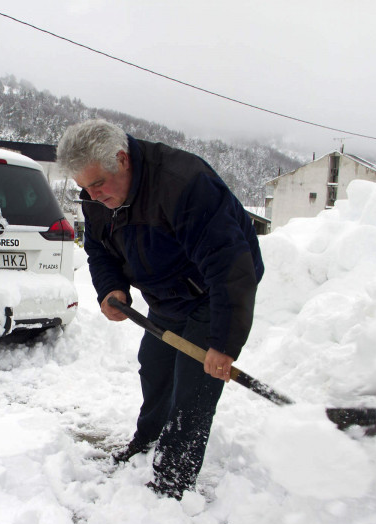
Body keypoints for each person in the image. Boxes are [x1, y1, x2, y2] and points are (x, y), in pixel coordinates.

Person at [56, 119, 264, 500]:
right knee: (155, 368)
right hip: (165, 295)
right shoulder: (96, 194)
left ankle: (172, 482)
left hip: (211, 293)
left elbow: (230, 268)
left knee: (194, 388)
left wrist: (223, 342)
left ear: (122, 159)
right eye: (85, 187)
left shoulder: (183, 184)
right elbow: (99, 249)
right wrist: (110, 287)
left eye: (98, 184)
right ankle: (148, 442)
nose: (93, 194)